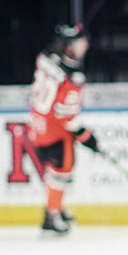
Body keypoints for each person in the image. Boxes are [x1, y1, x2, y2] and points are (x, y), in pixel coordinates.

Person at [29, 24, 97, 235]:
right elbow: (66, 116)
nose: (84, 46)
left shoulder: (45, 57)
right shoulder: (74, 75)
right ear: (68, 47)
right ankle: (53, 214)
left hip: (38, 124)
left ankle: (56, 207)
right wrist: (86, 136)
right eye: (79, 43)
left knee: (53, 173)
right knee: (61, 173)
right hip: (57, 131)